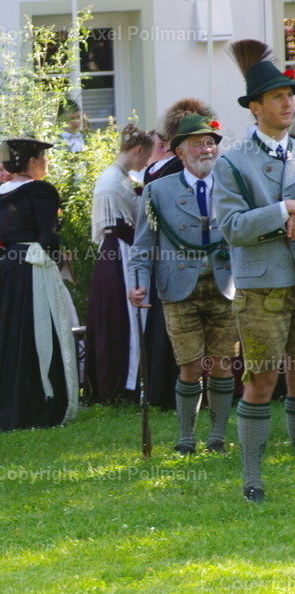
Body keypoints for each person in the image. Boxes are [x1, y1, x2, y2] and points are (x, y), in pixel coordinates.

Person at [216, 40, 295, 502]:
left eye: (291, 95)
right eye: (278, 97)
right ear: (255, 107)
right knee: (262, 380)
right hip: (262, 285)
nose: (288, 103)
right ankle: (252, 477)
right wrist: (283, 209)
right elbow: (230, 228)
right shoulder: (233, 160)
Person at [129, 113, 236, 456]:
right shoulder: (157, 191)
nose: (207, 149)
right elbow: (143, 244)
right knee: (190, 366)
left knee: (222, 364)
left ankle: (217, 437)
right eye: (198, 144)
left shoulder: (234, 184)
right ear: (179, 152)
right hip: (178, 288)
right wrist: (139, 283)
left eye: (210, 142)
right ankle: (186, 438)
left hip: (226, 285)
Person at [0, 136, 79, 432]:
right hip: (31, 268)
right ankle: (35, 404)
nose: (46, 163)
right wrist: (59, 259)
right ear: (32, 161)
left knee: (4, 331)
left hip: (1, 267)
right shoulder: (41, 191)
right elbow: (48, 238)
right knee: (34, 330)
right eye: (43, 158)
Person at [84, 124, 153, 405]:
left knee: (120, 317)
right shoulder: (112, 180)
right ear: (137, 150)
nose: (146, 163)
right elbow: (121, 226)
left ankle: (125, 384)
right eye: (145, 158)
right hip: (119, 254)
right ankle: (119, 385)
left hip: (117, 251)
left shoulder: (120, 177)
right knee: (120, 317)